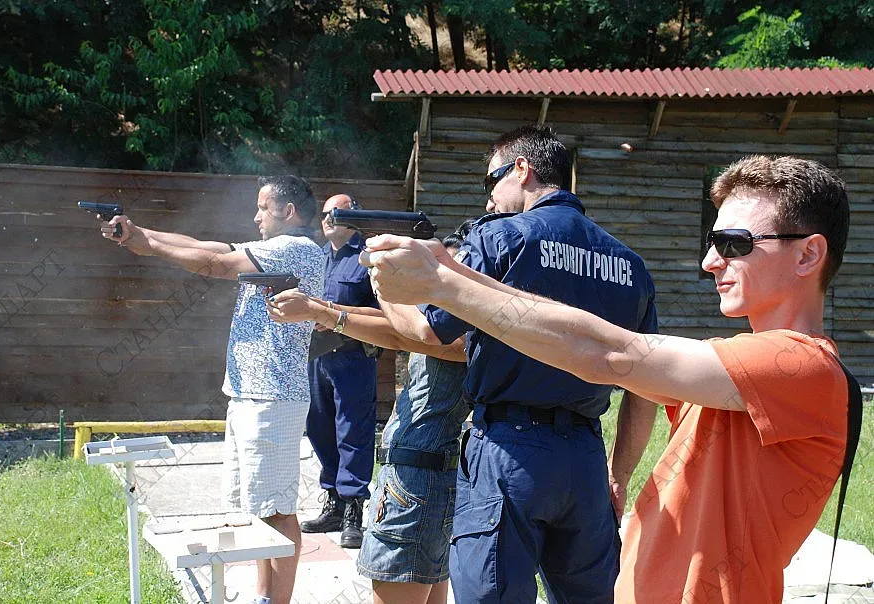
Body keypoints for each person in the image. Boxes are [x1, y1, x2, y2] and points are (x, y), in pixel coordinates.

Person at [360, 154, 852, 603]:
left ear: (808, 255)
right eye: (712, 243)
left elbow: (610, 354)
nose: (709, 262)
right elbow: (606, 354)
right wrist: (456, 272)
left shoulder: (799, 367)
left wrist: (443, 285)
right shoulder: (744, 370)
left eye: (733, 244)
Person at [370, 125, 659, 603]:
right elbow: (645, 385)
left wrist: (384, 288)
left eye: (491, 182)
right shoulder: (631, 265)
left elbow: (427, 331)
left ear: (523, 170)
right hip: (585, 456)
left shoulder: (499, 239)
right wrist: (619, 473)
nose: (488, 202)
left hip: (509, 452)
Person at [98, 176, 325, 604]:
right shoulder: (274, 250)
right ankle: (263, 595)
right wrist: (141, 235)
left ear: (288, 212)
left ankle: (278, 601)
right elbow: (216, 249)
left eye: (263, 208)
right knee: (261, 509)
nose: (255, 216)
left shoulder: (297, 249)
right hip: (252, 394)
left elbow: (217, 265)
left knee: (279, 509)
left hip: (273, 396)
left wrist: (152, 246)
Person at [267, 222, 475, 604]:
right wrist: (324, 310)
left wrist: (380, 279)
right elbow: (396, 327)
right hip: (431, 471)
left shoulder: (453, 334)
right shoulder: (465, 323)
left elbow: (409, 333)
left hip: (418, 474)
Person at [300, 193, 380, 549]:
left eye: (337, 212)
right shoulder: (316, 258)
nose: (328, 218)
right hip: (317, 358)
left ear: (353, 215)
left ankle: (353, 510)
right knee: (318, 427)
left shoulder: (367, 259)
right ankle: (333, 501)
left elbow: (385, 314)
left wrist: (336, 315)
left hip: (352, 357)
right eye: (325, 213)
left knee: (353, 432)